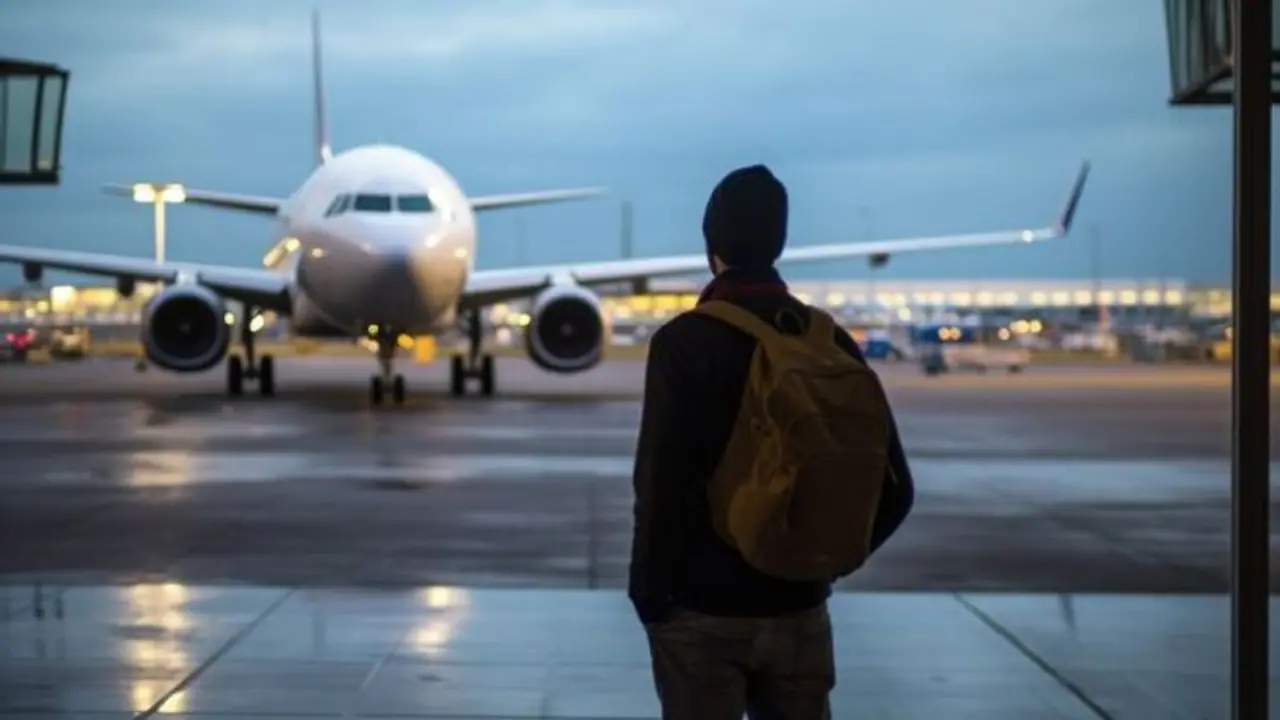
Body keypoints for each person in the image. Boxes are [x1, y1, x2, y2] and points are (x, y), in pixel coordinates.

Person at [628, 164, 916, 720]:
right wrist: (818, 562)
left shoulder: (684, 343)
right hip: (799, 607)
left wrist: (651, 597)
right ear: (779, 242)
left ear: (712, 246)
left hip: (700, 612)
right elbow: (896, 491)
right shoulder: (826, 340)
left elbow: (659, 486)